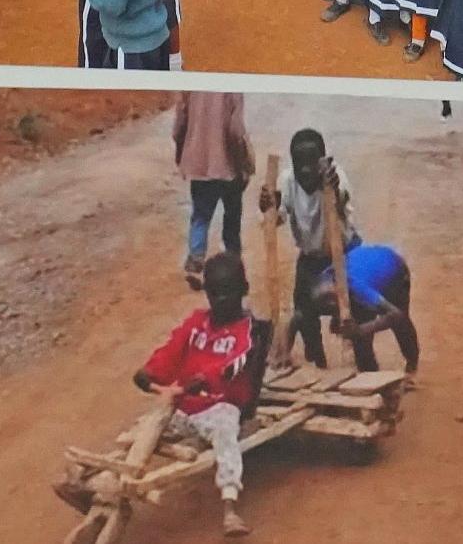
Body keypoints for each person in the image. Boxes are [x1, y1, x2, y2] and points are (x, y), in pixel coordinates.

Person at [132, 250, 266, 539]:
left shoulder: (248, 330)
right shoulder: (196, 323)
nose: (220, 300)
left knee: (226, 434)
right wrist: (150, 373)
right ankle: (115, 477)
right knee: (144, 428)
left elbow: (236, 363)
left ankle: (230, 505)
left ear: (243, 290)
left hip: (220, 405)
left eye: (228, 293)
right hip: (183, 405)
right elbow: (171, 351)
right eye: (214, 293)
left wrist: (205, 378)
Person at [257, 126, 359, 368]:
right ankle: (317, 361)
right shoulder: (287, 181)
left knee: (351, 312)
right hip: (310, 258)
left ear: (322, 160)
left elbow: (342, 201)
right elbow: (276, 219)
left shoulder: (335, 176)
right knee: (304, 314)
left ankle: (357, 358)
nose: (305, 170)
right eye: (299, 163)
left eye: (311, 163)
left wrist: (332, 188)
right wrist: (268, 207)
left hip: (343, 255)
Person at [172, 90, 252, 286]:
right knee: (232, 217)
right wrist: (244, 162)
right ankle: (233, 265)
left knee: (200, 215)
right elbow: (236, 130)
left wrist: (183, 152)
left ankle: (196, 261)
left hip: (199, 162)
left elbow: (179, 125)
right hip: (228, 163)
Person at [319, 241, 420, 375]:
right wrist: (338, 319)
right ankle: (370, 376)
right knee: (360, 341)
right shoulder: (322, 284)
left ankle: (412, 366)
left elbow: (396, 315)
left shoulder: (357, 288)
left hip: (394, 271)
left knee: (400, 324)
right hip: (366, 268)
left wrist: (361, 330)